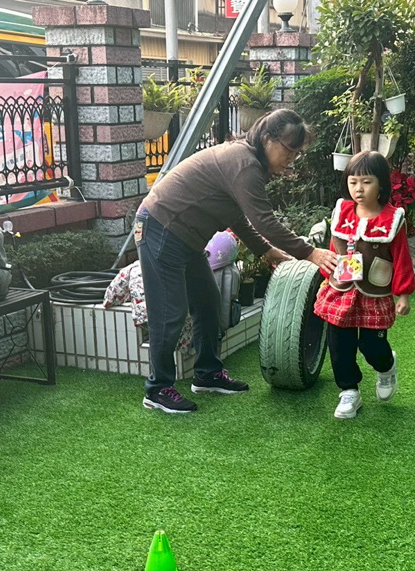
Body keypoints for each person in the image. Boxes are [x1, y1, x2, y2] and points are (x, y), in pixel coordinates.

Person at [134, 109, 339, 414]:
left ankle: (207, 374)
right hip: (161, 229)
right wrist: (310, 253)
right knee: (169, 312)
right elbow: (265, 221)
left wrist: (263, 250)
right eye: (289, 150)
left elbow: (235, 215)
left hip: (183, 238)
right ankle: (158, 389)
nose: (291, 159)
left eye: (297, 153)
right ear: (267, 138)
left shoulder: (247, 161)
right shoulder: (245, 165)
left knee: (207, 301)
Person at [313, 151, 415, 419]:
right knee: (339, 344)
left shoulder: (393, 219)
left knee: (372, 345)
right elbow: (333, 248)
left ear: (381, 184)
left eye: (367, 182)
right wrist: (326, 277)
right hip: (341, 288)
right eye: (353, 182)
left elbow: (402, 258)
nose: (359, 189)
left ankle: (386, 366)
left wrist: (403, 294)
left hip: (374, 292)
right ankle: (349, 390)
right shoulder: (342, 211)